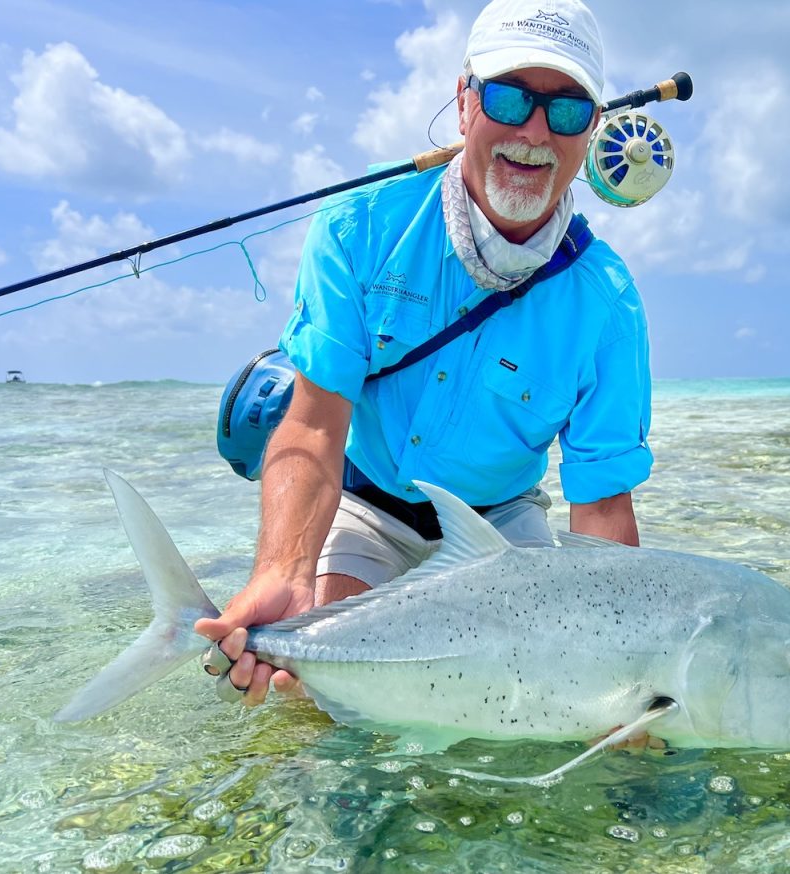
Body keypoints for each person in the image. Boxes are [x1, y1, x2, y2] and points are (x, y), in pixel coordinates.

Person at [196, 0, 654, 706]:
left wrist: (632, 667)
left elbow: (599, 505)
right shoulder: (362, 222)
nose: (534, 133)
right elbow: (317, 423)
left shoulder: (607, 302)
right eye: (509, 97)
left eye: (565, 111)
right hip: (369, 503)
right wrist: (281, 570)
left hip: (501, 521)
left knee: (550, 703)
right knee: (317, 705)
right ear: (465, 102)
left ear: (592, 130)